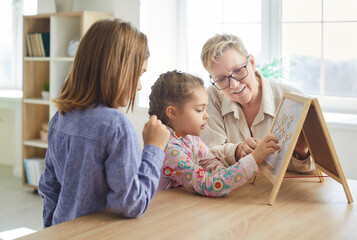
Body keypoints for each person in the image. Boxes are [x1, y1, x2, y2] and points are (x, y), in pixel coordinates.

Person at [38, 18, 170, 228]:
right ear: (116, 70)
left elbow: (49, 187)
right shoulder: (116, 126)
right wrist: (154, 149)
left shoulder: (60, 118)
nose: (139, 87)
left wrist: (50, 231)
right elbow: (131, 203)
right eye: (138, 74)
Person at [148, 70, 279, 197]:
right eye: (199, 110)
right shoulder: (168, 148)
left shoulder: (191, 139)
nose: (206, 116)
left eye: (206, 109)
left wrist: (232, 172)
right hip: (162, 211)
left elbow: (211, 163)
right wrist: (253, 159)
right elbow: (209, 185)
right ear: (172, 113)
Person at [200, 33, 314, 172]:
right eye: (221, 79)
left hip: (284, 190)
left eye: (238, 70)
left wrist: (302, 150)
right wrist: (237, 150)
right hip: (237, 190)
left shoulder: (293, 100)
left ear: (252, 63)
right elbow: (206, 153)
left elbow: (313, 168)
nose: (234, 85)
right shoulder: (211, 97)